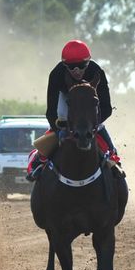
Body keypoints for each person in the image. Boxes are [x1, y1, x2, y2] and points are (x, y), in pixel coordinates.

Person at [28, 39, 121, 180]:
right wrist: (59, 128)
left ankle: (114, 158)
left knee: (96, 124)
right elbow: (51, 111)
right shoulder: (56, 74)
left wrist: (92, 124)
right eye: (71, 67)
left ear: (88, 62)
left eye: (81, 66)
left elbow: (106, 108)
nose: (76, 71)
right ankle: (39, 162)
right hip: (67, 99)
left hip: (90, 103)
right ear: (64, 65)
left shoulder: (97, 72)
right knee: (62, 119)